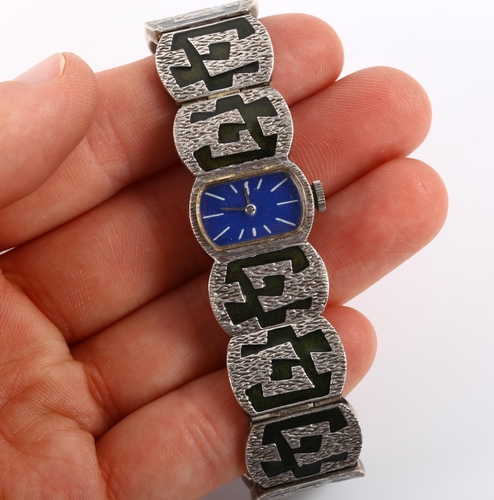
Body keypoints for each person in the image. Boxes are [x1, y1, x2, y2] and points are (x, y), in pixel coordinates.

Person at [0, 13, 447, 499]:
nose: (252, 203)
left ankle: (311, 458)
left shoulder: (282, 206)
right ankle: (308, 459)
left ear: (309, 197)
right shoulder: (218, 201)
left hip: (270, 252)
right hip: (243, 259)